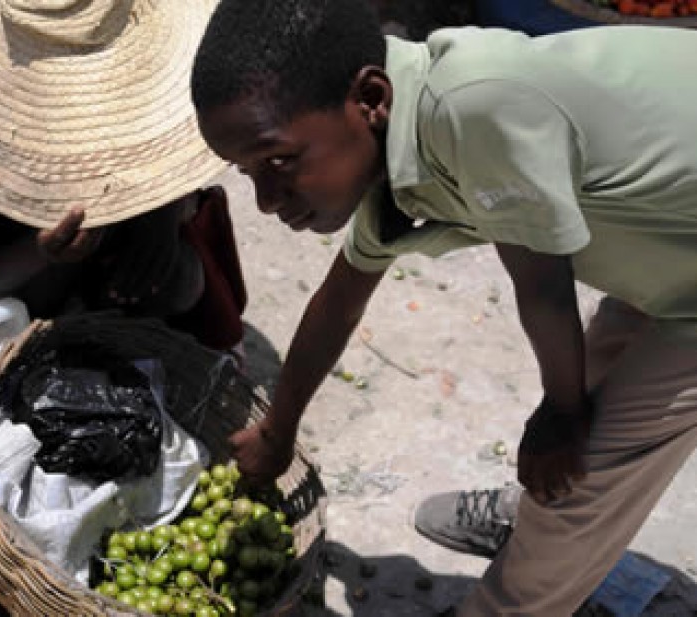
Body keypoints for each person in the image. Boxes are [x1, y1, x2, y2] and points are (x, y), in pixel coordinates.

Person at [190, 0, 697, 614]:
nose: (266, 199)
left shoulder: (474, 107)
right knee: (593, 392)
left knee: (587, 463)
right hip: (671, 242)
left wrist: (561, 414)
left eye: (280, 161)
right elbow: (339, 299)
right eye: (247, 173)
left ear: (370, 99)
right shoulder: (400, 137)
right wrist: (279, 428)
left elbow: (541, 286)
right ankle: (535, 521)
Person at [0, 0, 247, 353]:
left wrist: (161, 212)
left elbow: (183, 172)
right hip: (14, 259)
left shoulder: (142, 95)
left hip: (108, 254)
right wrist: (42, 253)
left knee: (181, 279)